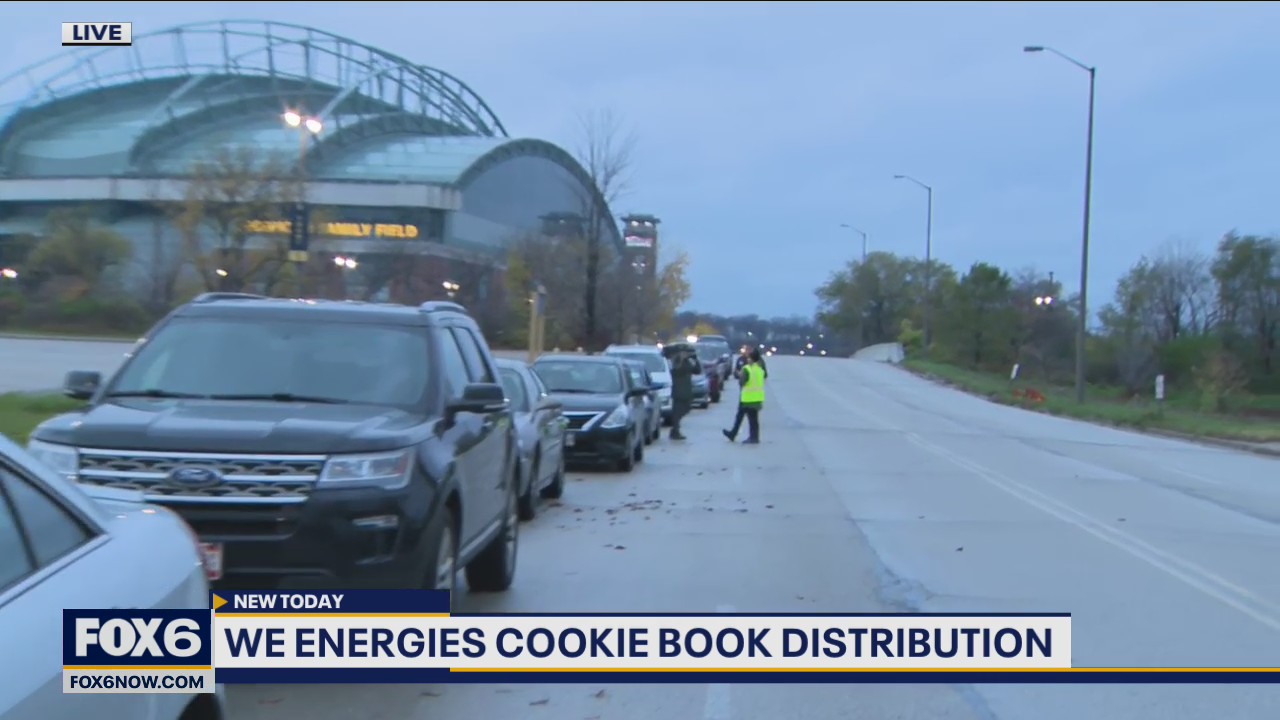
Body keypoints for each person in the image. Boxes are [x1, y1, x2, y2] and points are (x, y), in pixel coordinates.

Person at [723, 347, 765, 444]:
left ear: (752, 359)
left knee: (744, 417)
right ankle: (752, 436)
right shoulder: (759, 369)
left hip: (747, 398)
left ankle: (746, 436)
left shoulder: (747, 369)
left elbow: (742, 382)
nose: (747, 359)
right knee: (753, 419)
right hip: (757, 398)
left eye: (749, 358)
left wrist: (739, 374)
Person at [667, 345, 699, 441]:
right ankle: (675, 431)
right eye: (684, 352)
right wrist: (681, 359)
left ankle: (674, 430)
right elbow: (676, 371)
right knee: (677, 413)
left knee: (687, 408)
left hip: (687, 391)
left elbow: (697, 371)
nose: (686, 354)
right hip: (678, 392)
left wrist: (696, 360)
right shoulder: (676, 362)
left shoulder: (687, 362)